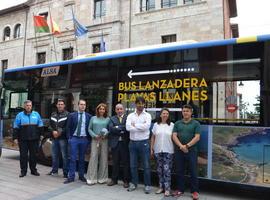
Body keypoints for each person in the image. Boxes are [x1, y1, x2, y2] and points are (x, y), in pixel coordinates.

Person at [172, 104, 201, 200]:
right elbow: (174, 136)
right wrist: (181, 146)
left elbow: (197, 137)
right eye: (184, 111)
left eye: (187, 111)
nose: (185, 113)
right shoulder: (177, 123)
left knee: (193, 171)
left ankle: (194, 191)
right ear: (182, 112)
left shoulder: (196, 124)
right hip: (179, 150)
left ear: (191, 112)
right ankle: (180, 189)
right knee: (179, 170)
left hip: (191, 150)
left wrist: (187, 146)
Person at [126, 96, 152, 194]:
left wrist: (134, 125)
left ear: (144, 104)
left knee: (146, 165)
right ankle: (134, 183)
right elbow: (128, 127)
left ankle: (147, 185)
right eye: (138, 103)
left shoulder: (147, 115)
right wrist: (140, 126)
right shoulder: (130, 115)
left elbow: (147, 127)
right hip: (132, 143)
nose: (140, 105)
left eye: (142, 103)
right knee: (133, 165)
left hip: (144, 143)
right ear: (135, 104)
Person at [13, 100, 43, 177]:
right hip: (23, 139)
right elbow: (16, 127)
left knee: (34, 155)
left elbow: (40, 125)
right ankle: (23, 171)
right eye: (27, 105)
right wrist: (15, 138)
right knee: (23, 156)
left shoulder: (36, 114)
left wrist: (41, 135)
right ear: (24, 106)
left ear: (31, 106)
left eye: (30, 105)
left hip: (34, 139)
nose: (29, 107)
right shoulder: (19, 115)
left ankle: (33, 170)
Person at [64, 99, 92, 184]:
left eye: (84, 104)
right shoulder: (72, 115)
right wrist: (69, 138)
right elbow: (67, 127)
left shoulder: (89, 116)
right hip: (74, 139)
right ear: (78, 105)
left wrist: (88, 140)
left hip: (84, 139)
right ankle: (71, 177)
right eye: (81, 104)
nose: (83, 106)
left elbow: (90, 128)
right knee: (72, 158)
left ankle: (81, 175)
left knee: (82, 158)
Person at [150, 108, 174, 197]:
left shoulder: (172, 125)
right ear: (160, 115)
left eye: (167, 113)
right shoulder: (156, 125)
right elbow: (153, 137)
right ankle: (161, 187)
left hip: (168, 151)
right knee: (160, 170)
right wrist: (151, 148)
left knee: (167, 171)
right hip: (158, 150)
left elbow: (174, 138)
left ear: (168, 115)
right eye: (163, 113)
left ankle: (167, 189)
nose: (165, 115)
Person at [86, 103, 110, 185]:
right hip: (95, 140)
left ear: (105, 110)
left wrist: (105, 135)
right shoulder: (93, 118)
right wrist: (94, 135)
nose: (102, 110)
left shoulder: (107, 119)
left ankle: (102, 178)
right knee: (93, 158)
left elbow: (109, 130)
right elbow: (89, 129)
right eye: (100, 109)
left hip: (104, 140)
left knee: (103, 158)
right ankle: (91, 179)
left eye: (103, 109)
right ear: (98, 109)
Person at [107, 103, 130, 188]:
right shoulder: (112, 118)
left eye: (121, 109)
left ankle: (126, 181)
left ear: (123, 109)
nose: (119, 111)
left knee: (125, 163)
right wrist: (121, 129)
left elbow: (127, 128)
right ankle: (114, 180)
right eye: (118, 109)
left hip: (125, 144)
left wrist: (117, 127)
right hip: (115, 144)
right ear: (115, 110)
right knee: (115, 162)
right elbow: (111, 128)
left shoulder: (128, 118)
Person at [47, 99, 69, 178]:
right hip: (54, 138)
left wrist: (60, 132)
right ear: (56, 105)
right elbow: (49, 126)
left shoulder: (67, 114)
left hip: (63, 138)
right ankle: (54, 171)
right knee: (54, 155)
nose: (60, 105)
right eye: (59, 104)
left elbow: (68, 127)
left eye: (61, 104)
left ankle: (65, 173)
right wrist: (53, 131)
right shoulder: (53, 114)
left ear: (64, 105)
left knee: (64, 156)